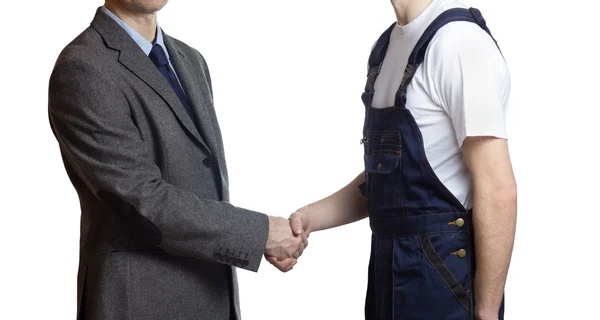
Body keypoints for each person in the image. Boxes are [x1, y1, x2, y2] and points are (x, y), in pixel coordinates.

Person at [48, 1, 306, 319]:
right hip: (140, 302)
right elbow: (140, 201)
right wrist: (258, 234)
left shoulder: (190, 59)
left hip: (211, 296)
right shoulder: (84, 66)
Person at [269, 0, 517, 319]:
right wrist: (309, 218)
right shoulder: (386, 48)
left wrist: (486, 314)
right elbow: (390, 181)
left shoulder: (459, 44)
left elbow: (498, 190)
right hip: (389, 272)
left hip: (443, 281)